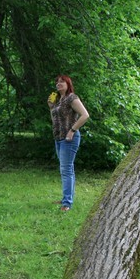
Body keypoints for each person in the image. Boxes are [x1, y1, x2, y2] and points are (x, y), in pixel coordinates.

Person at [48, 74, 89, 211]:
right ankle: (66, 198)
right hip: (59, 138)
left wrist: (72, 130)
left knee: (66, 170)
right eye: (57, 82)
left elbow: (85, 115)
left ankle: (67, 204)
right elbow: (55, 119)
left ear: (68, 84)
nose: (58, 84)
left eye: (62, 82)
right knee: (67, 169)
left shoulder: (72, 98)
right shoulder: (59, 100)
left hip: (69, 138)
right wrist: (51, 107)